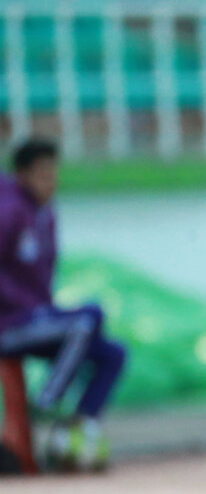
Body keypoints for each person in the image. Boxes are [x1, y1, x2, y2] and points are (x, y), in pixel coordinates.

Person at [0, 138, 127, 471]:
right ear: (21, 175)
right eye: (43, 175)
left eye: (53, 174)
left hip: (34, 320)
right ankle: (46, 402)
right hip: (9, 325)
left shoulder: (44, 213)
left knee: (112, 353)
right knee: (88, 318)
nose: (51, 182)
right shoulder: (9, 210)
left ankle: (77, 430)